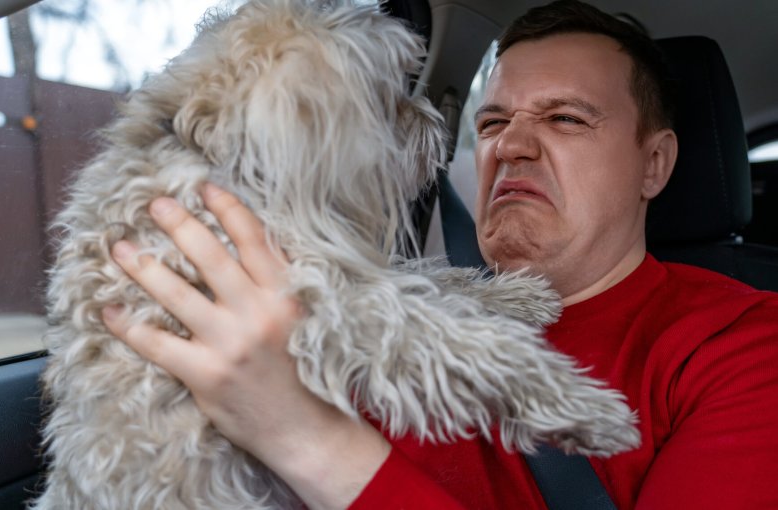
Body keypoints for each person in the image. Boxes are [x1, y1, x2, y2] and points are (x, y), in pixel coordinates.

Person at [101, 1, 778, 508]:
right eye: (491, 122)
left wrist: (302, 434)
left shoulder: (745, 344)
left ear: (653, 165)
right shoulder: (349, 303)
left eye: (565, 118)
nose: (510, 145)